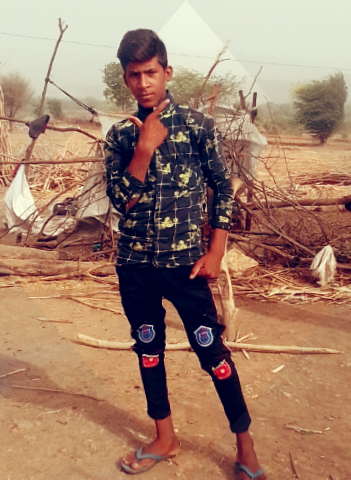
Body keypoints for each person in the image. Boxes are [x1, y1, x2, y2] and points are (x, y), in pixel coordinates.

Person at [104, 28, 266, 480]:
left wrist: (217, 251)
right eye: (134, 75)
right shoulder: (120, 136)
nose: (143, 83)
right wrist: (144, 149)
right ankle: (165, 438)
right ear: (125, 78)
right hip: (135, 266)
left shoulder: (198, 127)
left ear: (167, 72)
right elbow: (120, 201)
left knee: (213, 352)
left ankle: (245, 445)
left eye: (150, 72)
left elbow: (223, 189)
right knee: (148, 349)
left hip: (185, 266)